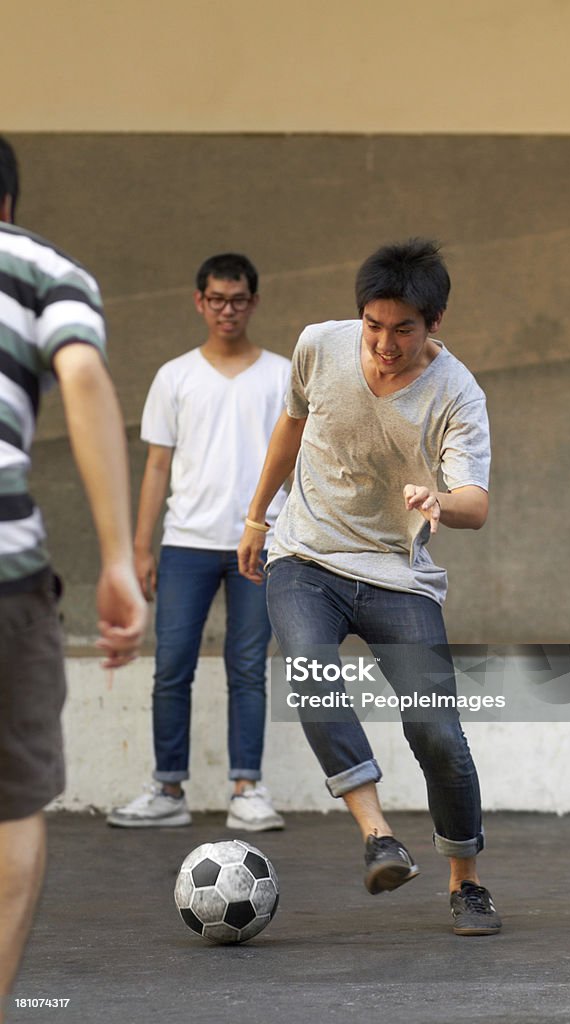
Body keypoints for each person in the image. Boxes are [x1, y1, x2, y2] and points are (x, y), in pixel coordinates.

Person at [238, 238, 501, 935]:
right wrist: (255, 518)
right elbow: (288, 430)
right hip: (307, 556)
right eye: (373, 326)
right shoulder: (318, 347)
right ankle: (378, 837)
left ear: (434, 323)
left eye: (403, 330)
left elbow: (475, 500)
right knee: (311, 675)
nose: (384, 344)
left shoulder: (456, 394)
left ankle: (465, 882)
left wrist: (441, 503)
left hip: (396, 576)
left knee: (436, 733)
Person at [0, 136, 147, 1019]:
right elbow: (84, 371)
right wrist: (120, 561)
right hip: (3, 576)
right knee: (11, 805)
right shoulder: (38, 268)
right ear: (8, 204)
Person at [107, 253, 290, 831]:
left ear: (254, 302)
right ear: (199, 302)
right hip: (185, 542)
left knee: (248, 666)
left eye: (238, 300)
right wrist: (140, 549)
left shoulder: (283, 375)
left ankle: (247, 789)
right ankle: (167, 788)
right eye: (216, 299)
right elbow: (156, 467)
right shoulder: (175, 376)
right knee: (171, 667)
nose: (227, 310)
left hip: (259, 542)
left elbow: (299, 464)